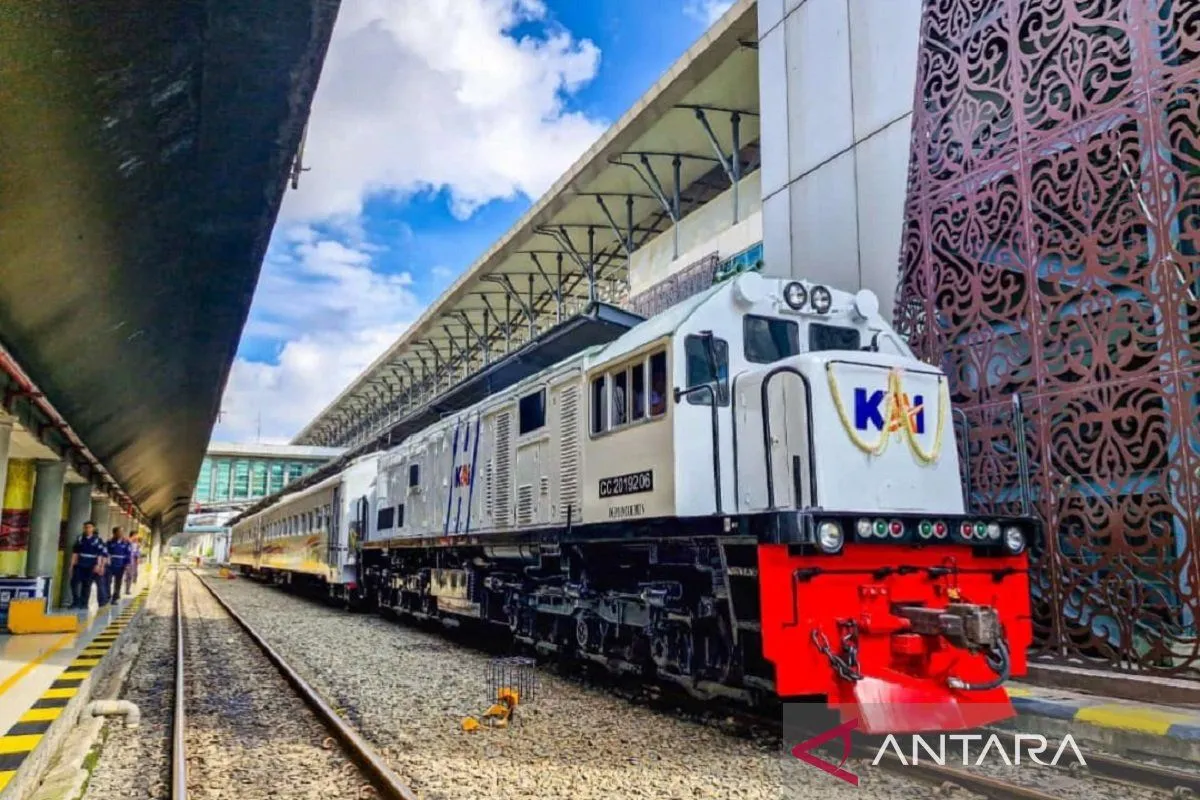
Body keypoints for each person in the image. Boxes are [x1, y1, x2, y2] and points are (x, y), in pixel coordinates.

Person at [70, 522, 107, 609]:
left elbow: (100, 554)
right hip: (80, 563)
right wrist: (71, 565)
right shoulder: (80, 539)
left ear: (93, 528)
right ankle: (76, 601)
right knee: (74, 582)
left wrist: (98, 565)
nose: (87, 529)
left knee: (87, 584)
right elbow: (75, 553)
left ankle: (84, 603)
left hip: (91, 564)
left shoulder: (97, 540)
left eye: (90, 527)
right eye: (86, 527)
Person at [105, 527, 133, 605]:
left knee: (118, 582)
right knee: (108, 581)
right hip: (110, 564)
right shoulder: (109, 542)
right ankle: (108, 596)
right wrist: (107, 560)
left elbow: (128, 554)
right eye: (119, 532)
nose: (121, 533)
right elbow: (106, 552)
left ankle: (115, 597)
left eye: (122, 532)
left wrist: (127, 564)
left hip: (121, 565)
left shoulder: (126, 543)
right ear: (115, 533)